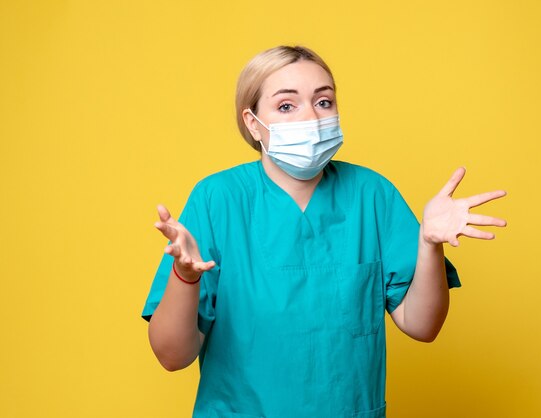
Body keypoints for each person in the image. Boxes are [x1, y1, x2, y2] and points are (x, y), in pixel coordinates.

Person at [141, 45, 507, 418]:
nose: (311, 119)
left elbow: (422, 325)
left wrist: (429, 244)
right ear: (253, 123)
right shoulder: (218, 199)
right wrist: (184, 277)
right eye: (287, 106)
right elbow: (173, 356)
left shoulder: (371, 194)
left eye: (323, 102)